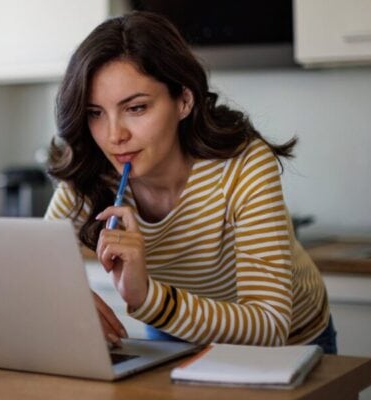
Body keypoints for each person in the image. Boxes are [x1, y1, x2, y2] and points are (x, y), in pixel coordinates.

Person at [44, 11, 336, 354]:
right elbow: (36, 267)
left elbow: (269, 323)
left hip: (290, 343)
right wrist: (65, 296)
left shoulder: (242, 164)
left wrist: (148, 298)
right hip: (176, 332)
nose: (114, 136)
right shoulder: (92, 171)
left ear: (183, 100)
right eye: (95, 113)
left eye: (136, 108)